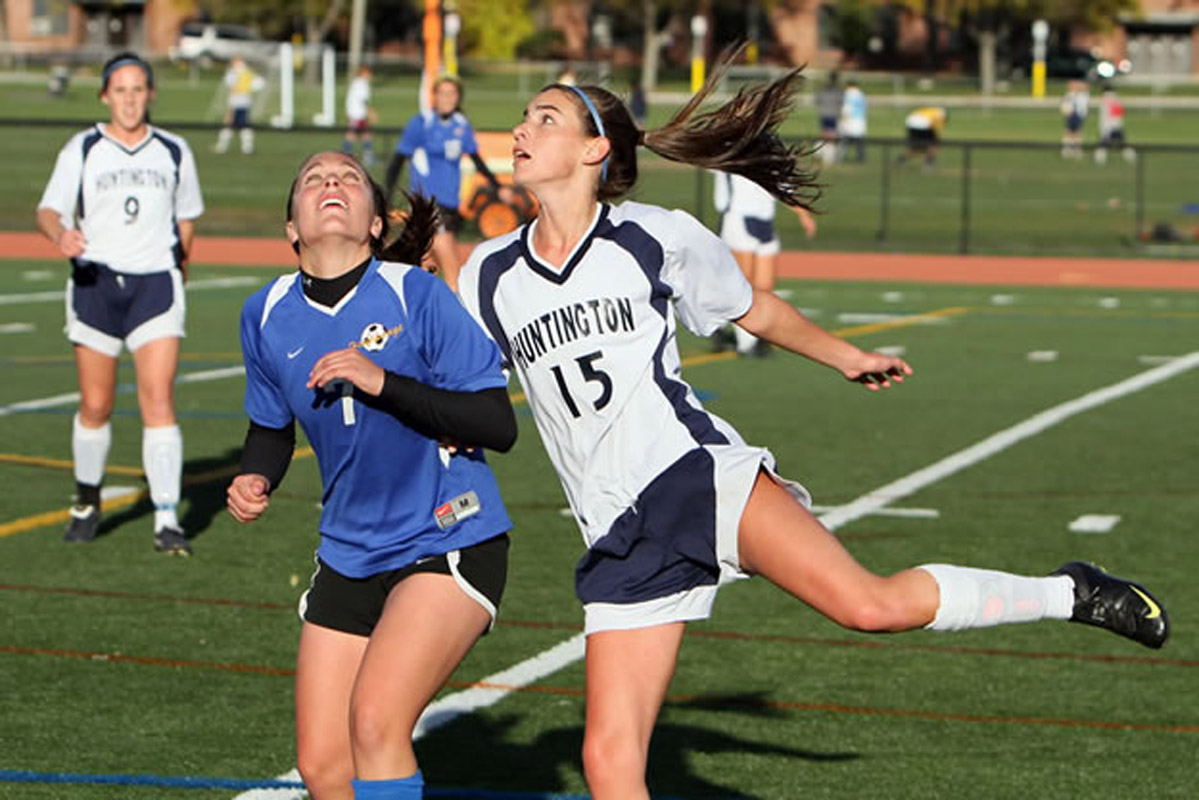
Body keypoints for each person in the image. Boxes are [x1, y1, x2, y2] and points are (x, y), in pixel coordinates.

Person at [456, 52, 1170, 799]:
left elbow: (754, 311)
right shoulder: (488, 272)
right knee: (608, 765)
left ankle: (1070, 592)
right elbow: (467, 381)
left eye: (546, 118)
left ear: (595, 149)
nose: (521, 128)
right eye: (525, 116)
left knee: (869, 607)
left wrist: (843, 355)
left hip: (693, 475)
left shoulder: (652, 237)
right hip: (612, 525)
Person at [227, 151, 517, 800]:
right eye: (313, 179)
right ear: (291, 230)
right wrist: (256, 478)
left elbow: (496, 422)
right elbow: (270, 429)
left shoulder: (415, 293)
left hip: (446, 532)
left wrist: (381, 380)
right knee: (324, 766)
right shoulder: (265, 314)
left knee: (375, 721)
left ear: (376, 226)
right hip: (348, 549)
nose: (331, 183)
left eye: (349, 178)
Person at [36, 51, 204, 555]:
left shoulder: (173, 150)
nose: (129, 99)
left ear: (150, 94)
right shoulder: (83, 148)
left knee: (158, 400)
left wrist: (180, 269)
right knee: (96, 404)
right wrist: (61, 234)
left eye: (138, 89)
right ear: (105, 95)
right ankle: (87, 500)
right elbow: (48, 210)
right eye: (120, 90)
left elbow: (187, 218)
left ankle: (167, 519)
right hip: (96, 284)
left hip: (155, 286)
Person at [384, 77, 510, 291]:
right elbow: (397, 161)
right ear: (434, 97)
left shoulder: (461, 125)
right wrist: (385, 199)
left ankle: (419, 307)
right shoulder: (421, 123)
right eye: (443, 93)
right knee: (449, 262)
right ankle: (459, 302)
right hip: (429, 201)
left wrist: (498, 186)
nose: (447, 99)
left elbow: (476, 159)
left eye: (452, 94)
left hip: (451, 201)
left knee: (423, 261)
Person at [711, 170, 816, 357]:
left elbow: (782, 185)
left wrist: (803, 213)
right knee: (743, 283)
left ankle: (725, 326)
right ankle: (744, 341)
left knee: (765, 286)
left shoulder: (767, 148)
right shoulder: (730, 148)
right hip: (738, 218)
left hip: (764, 221)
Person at [214, 55, 265, 155]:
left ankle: (222, 146)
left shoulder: (234, 73)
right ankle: (247, 147)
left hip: (235, 103)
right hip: (245, 103)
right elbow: (259, 84)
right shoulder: (249, 73)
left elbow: (229, 82)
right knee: (244, 125)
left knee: (229, 124)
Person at [342, 65, 375, 167]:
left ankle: (366, 156)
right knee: (353, 134)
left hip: (355, 113)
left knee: (365, 134)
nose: (370, 75)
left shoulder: (357, 83)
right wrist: (370, 111)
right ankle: (346, 156)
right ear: (364, 73)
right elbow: (363, 99)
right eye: (368, 73)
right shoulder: (362, 84)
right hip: (358, 114)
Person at [1094, 84, 1135, 165]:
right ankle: (1131, 157)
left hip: (1106, 125)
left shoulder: (1103, 98)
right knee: (1122, 143)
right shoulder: (1117, 98)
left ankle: (1100, 160)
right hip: (1117, 124)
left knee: (1103, 144)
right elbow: (1121, 111)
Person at [897, 105, 947, 170]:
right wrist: (938, 141)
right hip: (924, 124)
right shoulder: (940, 114)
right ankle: (928, 165)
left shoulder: (929, 110)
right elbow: (936, 130)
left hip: (910, 123)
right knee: (933, 145)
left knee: (916, 147)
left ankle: (902, 159)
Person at [813, 71, 843, 165]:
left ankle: (822, 153)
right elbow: (841, 102)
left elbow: (817, 100)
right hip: (833, 114)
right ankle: (828, 156)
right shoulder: (838, 90)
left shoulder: (823, 89)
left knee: (825, 134)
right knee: (832, 136)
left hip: (824, 114)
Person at [838, 77, 867, 163]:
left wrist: (843, 119)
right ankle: (861, 158)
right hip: (860, 121)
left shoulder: (847, 94)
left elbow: (846, 109)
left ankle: (840, 157)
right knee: (859, 142)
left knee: (844, 141)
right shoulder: (861, 95)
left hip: (849, 120)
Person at [1060, 79, 1089, 160]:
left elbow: (1085, 87)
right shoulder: (1070, 95)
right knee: (1070, 132)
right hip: (1072, 114)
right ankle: (1068, 149)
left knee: (1077, 132)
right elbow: (1065, 105)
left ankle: (1076, 149)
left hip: (1078, 115)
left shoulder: (1082, 95)